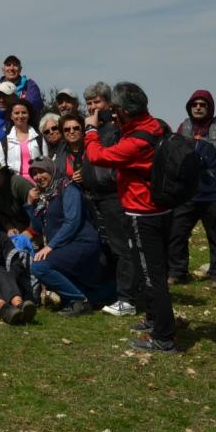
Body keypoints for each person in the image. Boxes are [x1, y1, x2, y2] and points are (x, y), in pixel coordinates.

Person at [85, 81, 178, 353]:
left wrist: (91, 129)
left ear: (124, 111)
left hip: (143, 212)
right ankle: (153, 317)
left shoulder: (136, 142)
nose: (112, 114)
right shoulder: (155, 126)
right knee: (149, 269)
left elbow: (97, 156)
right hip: (160, 209)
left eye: (116, 110)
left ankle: (163, 336)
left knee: (151, 276)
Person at [168, 90, 216, 288]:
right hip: (187, 194)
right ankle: (176, 272)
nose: (198, 108)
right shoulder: (183, 129)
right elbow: (174, 159)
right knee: (176, 234)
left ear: (210, 107)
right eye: (195, 104)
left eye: (203, 104)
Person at [81, 81, 139, 318]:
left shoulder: (115, 127)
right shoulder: (92, 128)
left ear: (108, 102)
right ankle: (113, 292)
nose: (92, 107)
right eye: (89, 103)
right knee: (107, 247)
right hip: (94, 196)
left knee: (122, 246)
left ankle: (128, 298)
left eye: (97, 101)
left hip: (113, 195)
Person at [26, 157, 112, 316]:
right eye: (34, 174)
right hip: (65, 246)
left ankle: (80, 301)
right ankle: (86, 299)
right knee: (90, 290)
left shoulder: (67, 187)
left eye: (41, 171)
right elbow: (38, 227)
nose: (38, 177)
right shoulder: (46, 196)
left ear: (51, 170)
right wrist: (30, 204)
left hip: (82, 242)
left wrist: (50, 246)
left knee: (39, 266)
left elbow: (72, 222)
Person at [0, 158, 34, 236]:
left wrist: (30, 231)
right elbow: (1, 215)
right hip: (18, 228)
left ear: (2, 172)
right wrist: (9, 227)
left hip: (37, 227)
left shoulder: (18, 183)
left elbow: (38, 210)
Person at [0, 99, 45, 181]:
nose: (20, 116)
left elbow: (46, 164)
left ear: (29, 115)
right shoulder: (3, 143)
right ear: (11, 116)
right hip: (14, 185)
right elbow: (1, 169)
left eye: (24, 113)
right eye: (16, 113)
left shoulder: (39, 138)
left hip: (37, 183)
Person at [51, 113, 86, 184]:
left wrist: (87, 174)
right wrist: (70, 180)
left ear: (82, 130)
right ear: (63, 133)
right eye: (67, 129)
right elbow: (56, 180)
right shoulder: (59, 154)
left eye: (76, 128)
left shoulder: (92, 147)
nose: (71, 131)